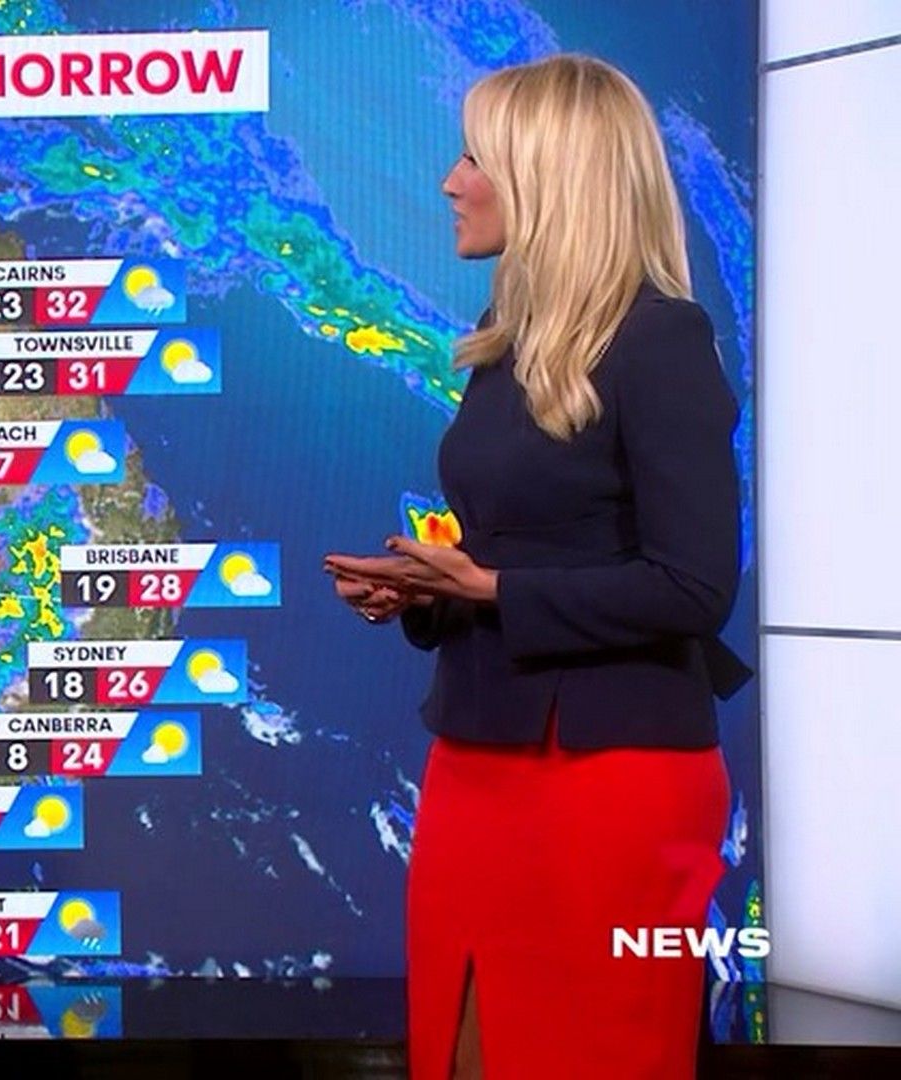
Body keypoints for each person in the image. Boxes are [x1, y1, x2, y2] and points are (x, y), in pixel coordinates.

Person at [322, 54, 751, 1080]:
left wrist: (493, 589)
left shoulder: (662, 339)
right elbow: (517, 544)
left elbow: (695, 585)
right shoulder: (504, 340)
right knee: (462, 1049)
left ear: (547, 176)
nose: (451, 181)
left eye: (475, 158)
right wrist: (426, 590)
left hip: (610, 783)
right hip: (477, 759)